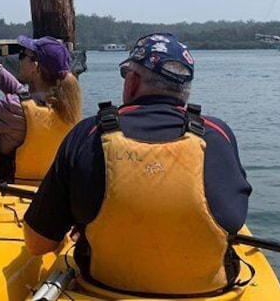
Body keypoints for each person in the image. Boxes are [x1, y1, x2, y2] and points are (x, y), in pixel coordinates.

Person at [23, 33, 252, 297]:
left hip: (102, 288)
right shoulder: (218, 134)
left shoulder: (88, 133)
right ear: (184, 89)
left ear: (132, 82)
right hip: (209, 293)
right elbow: (233, 215)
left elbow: (38, 243)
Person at [0, 35, 82, 183]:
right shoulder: (67, 105)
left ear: (35, 67)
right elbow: (21, 95)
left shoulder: (13, 108)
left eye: (23, 54)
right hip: (47, 188)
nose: (20, 59)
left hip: (14, 189)